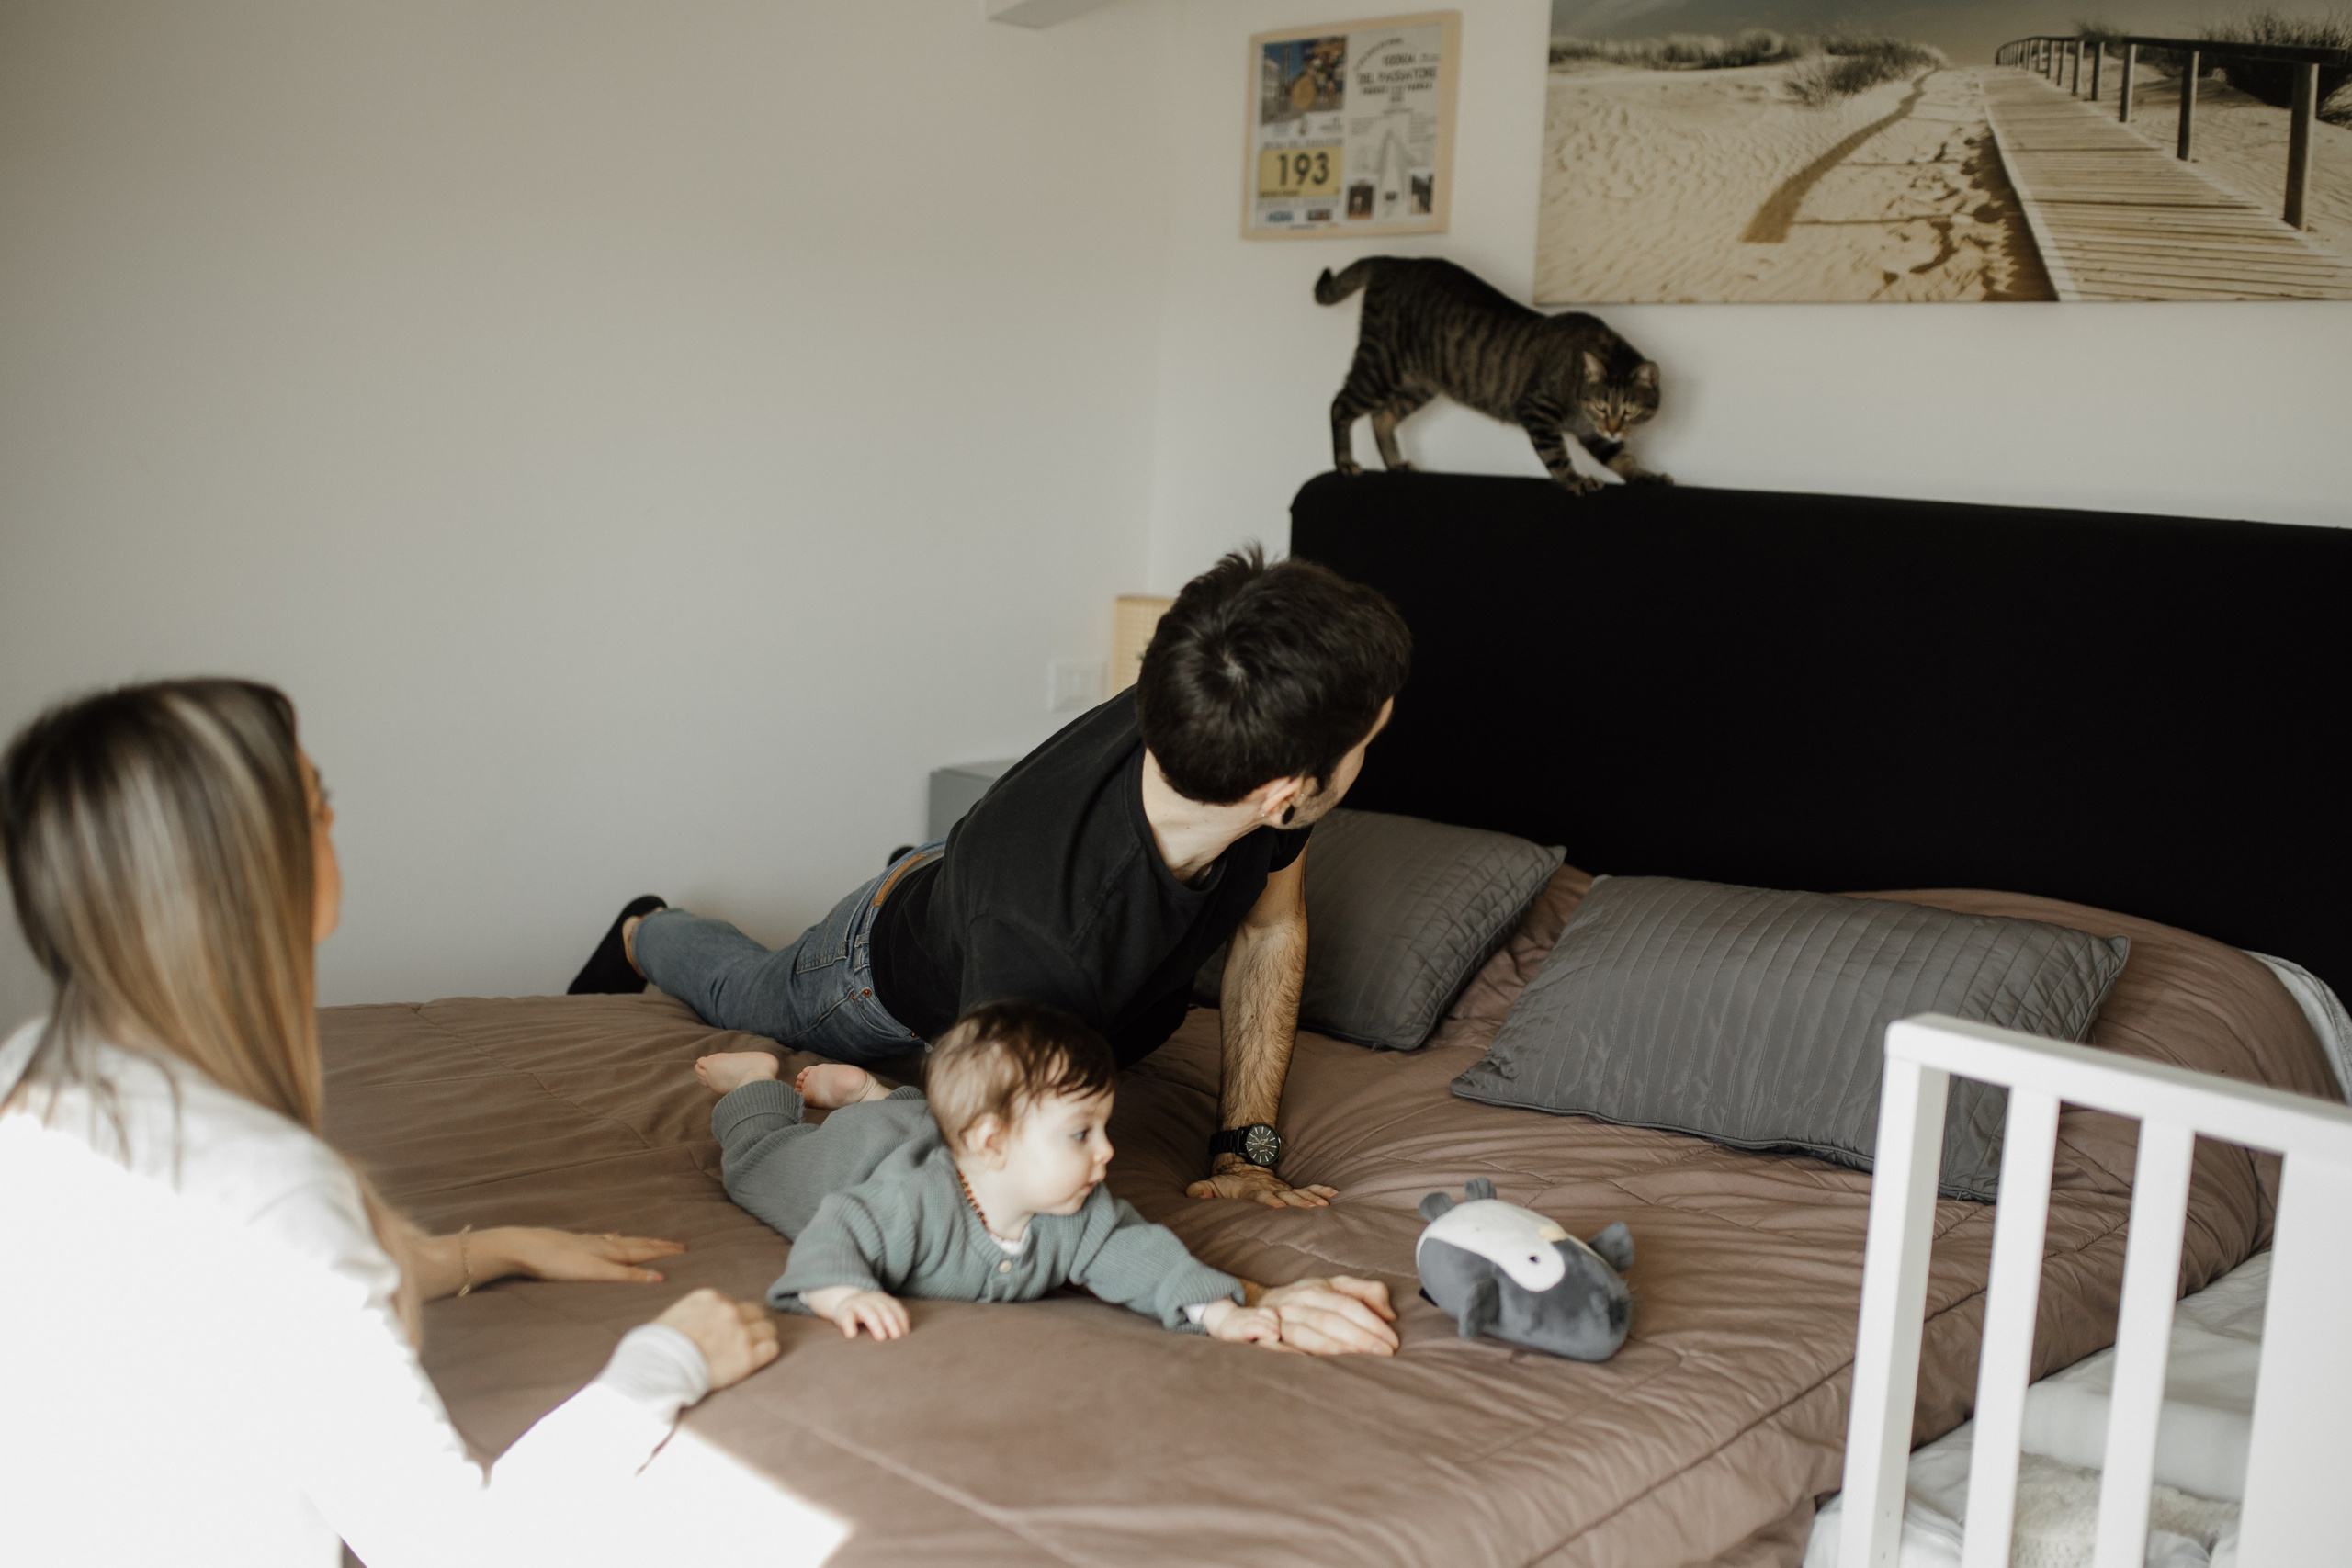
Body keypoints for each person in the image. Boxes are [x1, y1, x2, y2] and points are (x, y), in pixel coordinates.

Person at [0, 679, 782, 1568]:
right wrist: (666, 1360)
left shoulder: (29, 1069)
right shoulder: (269, 1187)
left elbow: (205, 1287)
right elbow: (454, 1549)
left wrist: (485, 1249)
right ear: (247, 871)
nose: (334, 826)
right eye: (318, 805)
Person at [571, 547, 1412, 1217]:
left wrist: (1245, 1149)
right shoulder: (1047, 939)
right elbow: (993, 1202)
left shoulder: (1218, 707)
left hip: (991, 893)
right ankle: (644, 930)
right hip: (878, 965)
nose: (1372, 754)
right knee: (745, 993)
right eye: (1367, 741)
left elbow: (1268, 927)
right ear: (1287, 792)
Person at [695, 999, 1396, 1351]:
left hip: (936, 1129)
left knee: (927, 1118)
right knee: (758, 1166)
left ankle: (882, 1095)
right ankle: (758, 1086)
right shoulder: (909, 1203)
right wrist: (839, 1290)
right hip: (862, 1155)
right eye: (1081, 1134)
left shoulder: (1074, 1212)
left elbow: (1142, 1257)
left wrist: (1221, 1312)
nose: (1107, 1153)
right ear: (996, 1142)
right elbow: (839, 1224)